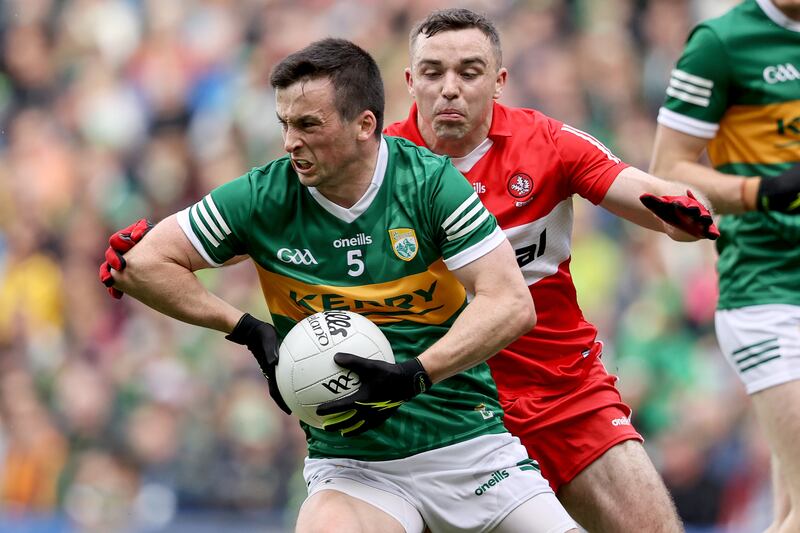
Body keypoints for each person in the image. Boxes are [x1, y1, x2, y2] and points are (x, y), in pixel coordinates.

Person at [100, 38, 578, 533]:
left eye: (308, 125)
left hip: (470, 448)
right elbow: (140, 265)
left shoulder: (429, 183)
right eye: (285, 124)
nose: (290, 142)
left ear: (364, 125)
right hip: (354, 469)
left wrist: (413, 373)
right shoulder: (264, 196)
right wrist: (245, 328)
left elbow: (511, 304)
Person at [383, 8, 720, 532]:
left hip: (564, 392)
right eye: (432, 72)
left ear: (498, 82)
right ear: (410, 80)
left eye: (469, 72)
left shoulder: (548, 143)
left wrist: (686, 212)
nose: (449, 88)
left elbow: (635, 187)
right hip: (444, 408)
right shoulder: (376, 167)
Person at [649, 1, 800, 531]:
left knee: (788, 512)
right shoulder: (722, 43)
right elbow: (665, 173)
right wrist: (759, 191)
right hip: (769, 288)